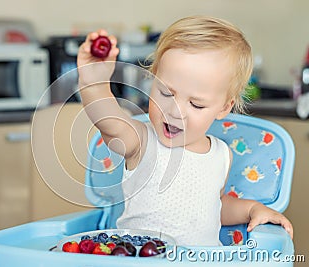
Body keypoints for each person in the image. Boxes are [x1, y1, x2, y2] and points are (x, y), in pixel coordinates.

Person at [77, 15, 293, 246]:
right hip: (140, 260)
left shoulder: (221, 155)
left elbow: (213, 206)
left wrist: (252, 209)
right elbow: (108, 119)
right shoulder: (141, 141)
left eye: (196, 104)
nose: (175, 110)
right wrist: (94, 84)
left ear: (224, 107)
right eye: (166, 93)